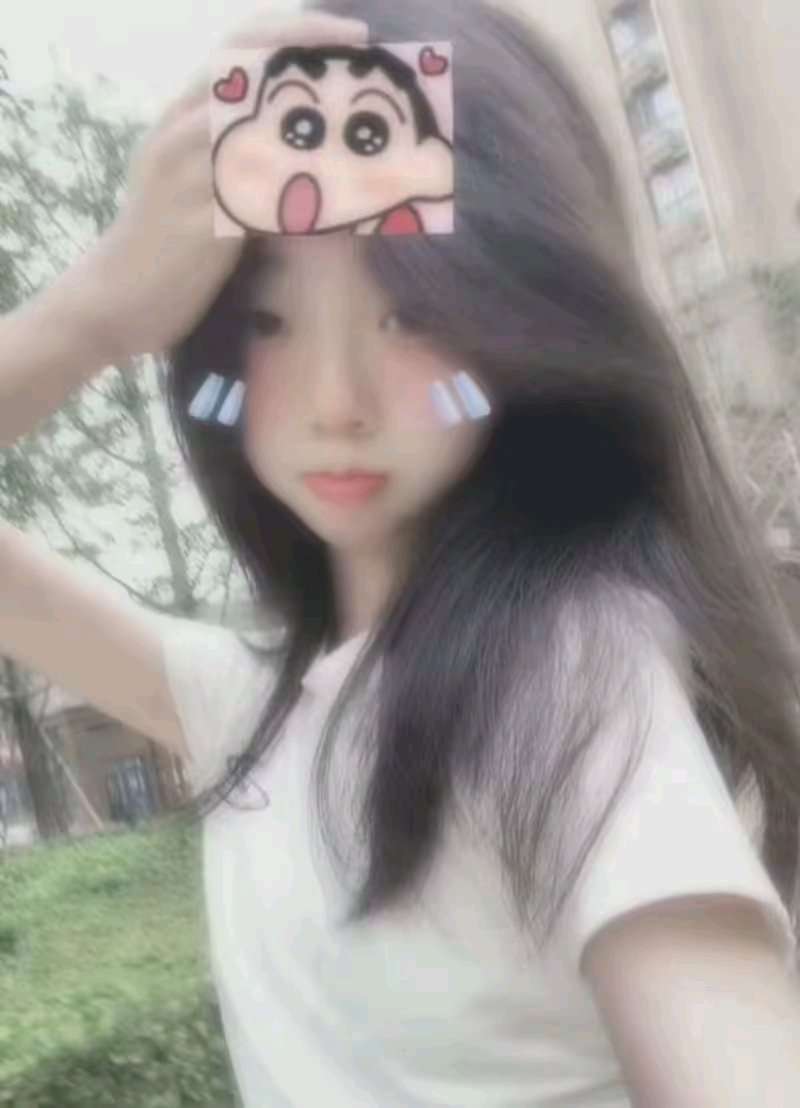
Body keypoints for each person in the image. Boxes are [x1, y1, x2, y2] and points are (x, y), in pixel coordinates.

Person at [2, 1, 800, 1104]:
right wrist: (96, 311)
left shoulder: (569, 673)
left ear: (517, 322)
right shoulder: (247, 707)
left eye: (408, 316)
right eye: (268, 322)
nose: (335, 401)